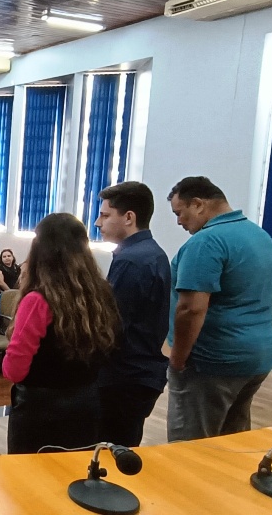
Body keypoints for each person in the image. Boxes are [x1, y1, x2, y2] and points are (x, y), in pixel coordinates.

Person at [166, 176, 272, 442]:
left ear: (198, 204)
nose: (179, 222)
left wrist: (178, 358)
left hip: (212, 362)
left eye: (179, 213)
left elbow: (191, 309)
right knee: (231, 445)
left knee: (190, 449)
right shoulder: (259, 234)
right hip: (257, 358)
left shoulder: (206, 242)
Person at [2, 213, 119, 454]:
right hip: (86, 404)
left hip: (40, 412)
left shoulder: (37, 301)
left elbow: (13, 369)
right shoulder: (101, 292)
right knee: (72, 479)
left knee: (32, 483)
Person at [93, 181, 170, 447]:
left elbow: (113, 325)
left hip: (124, 376)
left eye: (104, 215)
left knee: (109, 449)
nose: (96, 223)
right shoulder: (154, 253)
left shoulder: (131, 260)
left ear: (129, 217)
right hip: (142, 370)